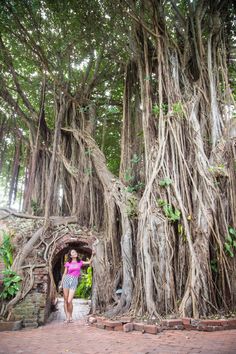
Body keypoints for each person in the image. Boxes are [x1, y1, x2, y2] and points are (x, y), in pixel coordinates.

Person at [59, 249, 94, 323]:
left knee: (69, 300)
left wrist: (93, 254)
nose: (74, 253)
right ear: (71, 256)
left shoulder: (80, 262)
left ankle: (70, 316)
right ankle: (68, 317)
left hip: (74, 281)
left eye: (75, 252)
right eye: (72, 252)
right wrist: (61, 284)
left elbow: (89, 262)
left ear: (76, 254)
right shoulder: (68, 263)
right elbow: (64, 274)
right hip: (67, 280)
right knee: (65, 300)